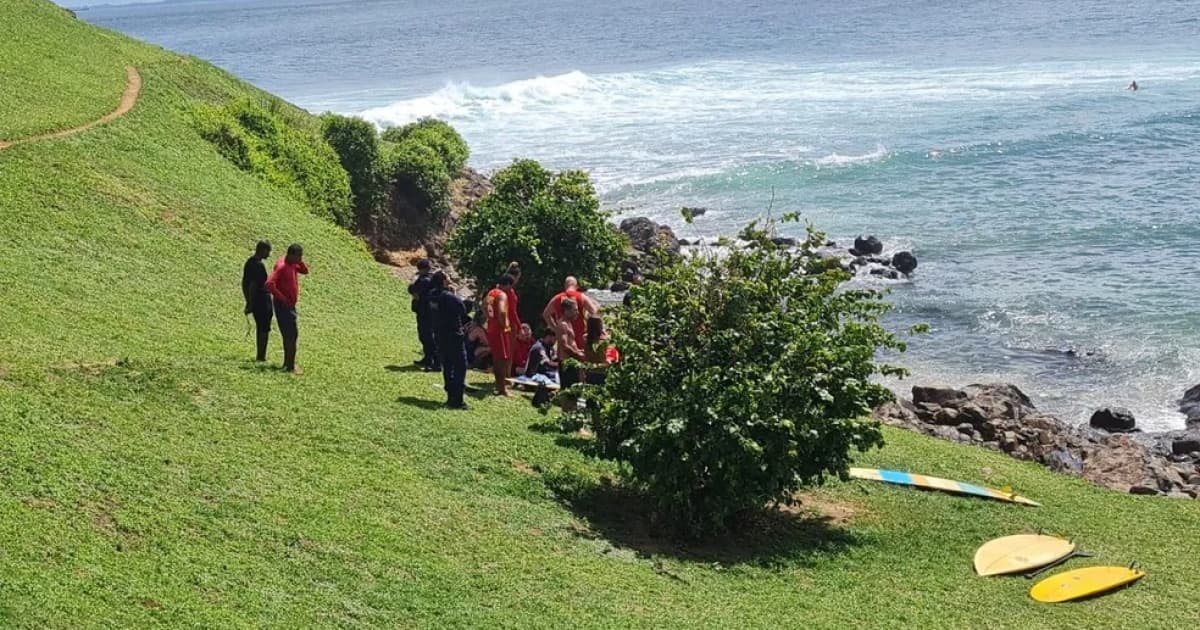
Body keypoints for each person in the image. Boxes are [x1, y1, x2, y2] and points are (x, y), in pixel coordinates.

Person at [264, 243, 309, 373]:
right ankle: (290, 366)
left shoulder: (293, 265)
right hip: (284, 306)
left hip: (289, 306)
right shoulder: (282, 266)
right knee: (291, 335)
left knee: (290, 335)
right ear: (291, 255)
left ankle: (288, 363)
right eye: (298, 256)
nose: (300, 259)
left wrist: (300, 262)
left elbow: (305, 271)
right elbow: (269, 284)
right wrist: (283, 299)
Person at [429, 270, 470, 409]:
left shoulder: (433, 296)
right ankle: (457, 399)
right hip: (453, 335)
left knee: (447, 365)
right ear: (443, 281)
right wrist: (454, 293)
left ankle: (450, 395)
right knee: (460, 366)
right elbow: (463, 308)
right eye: (447, 277)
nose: (449, 278)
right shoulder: (447, 296)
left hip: (440, 335)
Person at [542, 276, 598, 354]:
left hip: (563, 338)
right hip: (580, 337)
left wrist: (555, 328)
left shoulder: (557, 298)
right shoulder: (581, 296)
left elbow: (545, 314)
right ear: (577, 286)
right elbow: (594, 311)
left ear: (565, 285)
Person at [241, 240, 273, 362]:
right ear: (263, 250)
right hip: (261, 300)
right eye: (268, 251)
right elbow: (253, 285)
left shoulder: (249, 263)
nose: (269, 254)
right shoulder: (258, 266)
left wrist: (248, 300)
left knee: (261, 327)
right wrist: (251, 302)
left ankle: (261, 355)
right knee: (264, 328)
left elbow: (245, 283)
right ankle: (261, 356)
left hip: (256, 300)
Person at [484, 274, 516, 396]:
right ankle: (502, 388)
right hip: (499, 330)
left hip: (491, 328)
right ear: (507, 284)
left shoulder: (491, 292)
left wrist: (490, 318)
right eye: (510, 286)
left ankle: (499, 384)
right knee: (502, 359)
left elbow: (484, 306)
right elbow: (502, 311)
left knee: (497, 357)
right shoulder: (502, 295)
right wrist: (504, 325)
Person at [554, 298, 587, 410]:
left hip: (573, 361)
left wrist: (580, 351)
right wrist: (578, 355)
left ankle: (573, 418)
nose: (577, 312)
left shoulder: (569, 323)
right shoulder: (562, 324)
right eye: (575, 310)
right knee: (568, 392)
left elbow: (572, 344)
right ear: (566, 310)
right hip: (566, 363)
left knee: (575, 392)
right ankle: (567, 417)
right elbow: (565, 346)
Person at [408, 259, 439, 371]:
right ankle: (428, 358)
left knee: (427, 336)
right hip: (427, 311)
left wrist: (413, 281)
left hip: (425, 312)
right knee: (425, 336)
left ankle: (435, 361)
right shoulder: (431, 279)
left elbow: (412, 289)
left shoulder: (424, 280)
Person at [504, 262, 523, 373]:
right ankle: (506, 375)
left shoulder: (500, 289)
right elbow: (512, 311)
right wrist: (519, 326)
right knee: (509, 351)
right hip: (510, 323)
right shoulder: (510, 292)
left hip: (503, 322)